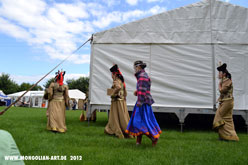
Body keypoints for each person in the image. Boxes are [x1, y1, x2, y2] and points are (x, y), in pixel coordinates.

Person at [125, 61, 162, 146]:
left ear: (139, 67)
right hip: (143, 102)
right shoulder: (143, 76)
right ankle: (138, 142)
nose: (134, 69)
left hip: (142, 103)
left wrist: (139, 103)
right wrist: (137, 92)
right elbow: (142, 89)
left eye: (135, 67)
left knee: (138, 122)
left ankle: (154, 138)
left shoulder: (142, 77)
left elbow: (142, 91)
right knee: (141, 121)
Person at [213, 63, 239, 141]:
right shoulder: (224, 80)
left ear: (224, 74)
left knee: (220, 116)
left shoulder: (228, 81)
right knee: (227, 119)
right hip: (225, 102)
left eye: (220, 73)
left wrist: (219, 85)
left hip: (228, 102)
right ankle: (226, 136)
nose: (218, 74)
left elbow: (222, 90)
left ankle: (229, 136)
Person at [104, 64, 131, 138]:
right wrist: (123, 97)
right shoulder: (122, 81)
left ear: (114, 74)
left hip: (117, 102)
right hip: (121, 102)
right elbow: (125, 92)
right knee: (122, 117)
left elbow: (118, 88)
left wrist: (113, 94)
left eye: (112, 74)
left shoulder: (116, 81)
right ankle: (125, 131)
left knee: (117, 117)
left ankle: (118, 131)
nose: (111, 76)